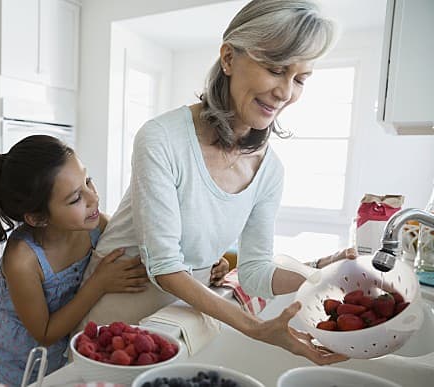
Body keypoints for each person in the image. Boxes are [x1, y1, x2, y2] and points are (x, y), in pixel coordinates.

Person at [81, 0, 356, 365]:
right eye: (276, 69)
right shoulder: (162, 139)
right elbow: (163, 267)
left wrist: (320, 277)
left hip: (178, 320)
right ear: (228, 58)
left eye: (300, 79)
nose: (286, 92)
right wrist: (256, 328)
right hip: (116, 316)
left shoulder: (270, 171)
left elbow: (256, 272)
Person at [0, 135, 149, 387]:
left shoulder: (95, 225)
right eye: (75, 198)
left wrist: (211, 266)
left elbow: (144, 247)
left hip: (70, 355)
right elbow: (45, 333)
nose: (93, 197)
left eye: (87, 181)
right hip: (24, 367)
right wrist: (99, 284)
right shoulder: (22, 260)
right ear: (38, 218)